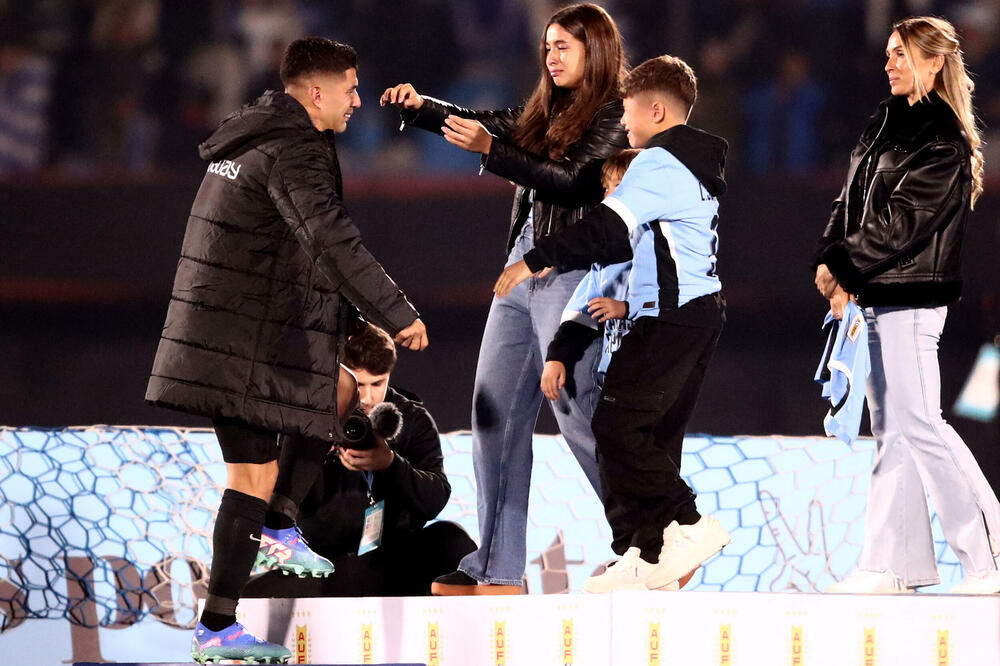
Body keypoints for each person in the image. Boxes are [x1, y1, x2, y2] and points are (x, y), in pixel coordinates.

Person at [145, 37, 428, 664]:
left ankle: (260, 556)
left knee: (298, 430)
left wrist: (352, 320)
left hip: (227, 329)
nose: (358, 101)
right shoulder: (296, 149)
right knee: (267, 461)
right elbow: (330, 239)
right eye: (351, 89)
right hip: (239, 337)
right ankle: (231, 603)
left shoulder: (251, 136)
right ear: (317, 91)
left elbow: (296, 245)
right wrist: (395, 311)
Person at [381, 3, 629, 595]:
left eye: (564, 46)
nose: (551, 55)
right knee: (493, 414)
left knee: (577, 414)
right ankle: (496, 567)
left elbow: (574, 180)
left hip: (570, 271)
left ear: (595, 51)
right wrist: (425, 110)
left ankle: (648, 538)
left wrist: (492, 152)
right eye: (547, 46)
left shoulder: (615, 114)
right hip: (518, 276)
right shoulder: (546, 110)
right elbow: (486, 121)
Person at [495, 54, 732, 592]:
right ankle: (644, 554)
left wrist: (535, 258)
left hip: (671, 318)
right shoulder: (694, 168)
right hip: (692, 316)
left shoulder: (659, 163)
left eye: (628, 112)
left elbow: (605, 227)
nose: (623, 124)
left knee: (615, 427)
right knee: (647, 433)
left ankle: (690, 524)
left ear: (655, 109)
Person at [813, 16, 1000, 595]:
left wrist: (843, 265)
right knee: (892, 428)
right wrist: (830, 257)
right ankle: (893, 566)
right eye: (889, 52)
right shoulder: (882, 125)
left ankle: (989, 556)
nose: (888, 62)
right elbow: (849, 202)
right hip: (874, 295)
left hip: (914, 301)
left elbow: (905, 224)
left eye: (901, 54)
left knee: (921, 423)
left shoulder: (942, 138)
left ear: (935, 61)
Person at [243, 324, 476, 597]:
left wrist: (390, 464)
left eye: (377, 383)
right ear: (339, 375)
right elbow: (279, 502)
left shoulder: (411, 417)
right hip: (324, 563)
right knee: (246, 597)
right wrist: (318, 455)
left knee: (450, 539)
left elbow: (435, 499)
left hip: (393, 561)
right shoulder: (310, 418)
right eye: (358, 384)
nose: (366, 397)